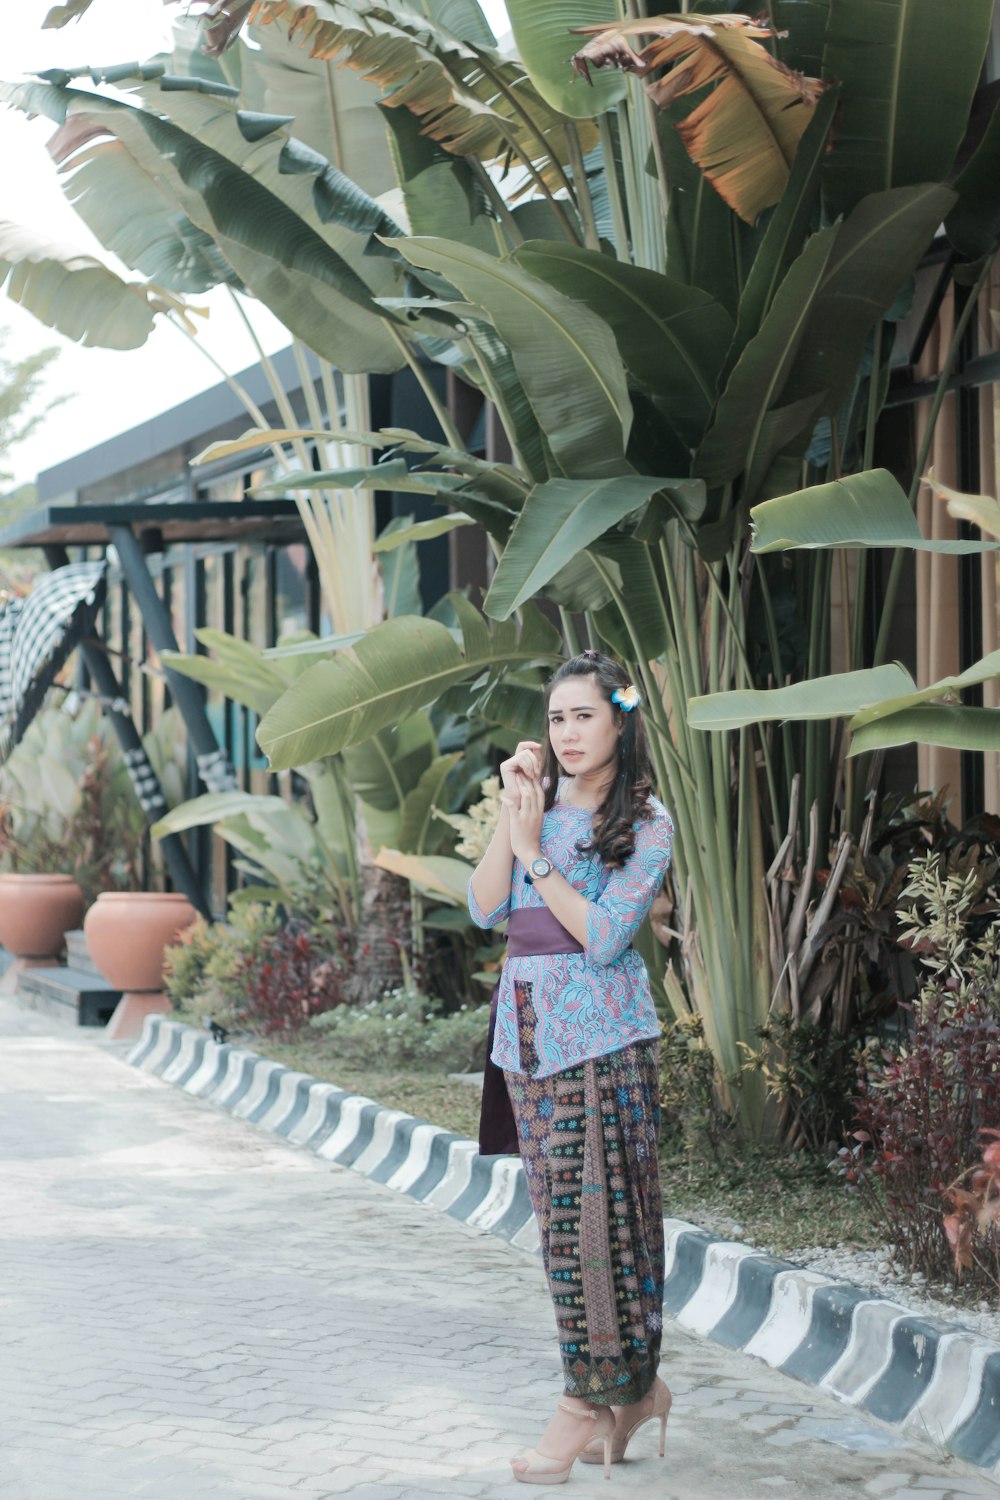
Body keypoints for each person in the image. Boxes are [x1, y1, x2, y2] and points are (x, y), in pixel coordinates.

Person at [469, 649, 674, 1486]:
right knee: (561, 1232)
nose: (568, 732)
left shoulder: (649, 823)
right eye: (557, 718)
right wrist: (513, 818)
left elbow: (605, 936)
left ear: (620, 719)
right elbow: (484, 908)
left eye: (584, 715)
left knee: (601, 1234)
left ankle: (585, 1404)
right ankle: (637, 1394)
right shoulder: (538, 807)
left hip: (602, 1042)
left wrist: (538, 854)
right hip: (525, 1040)